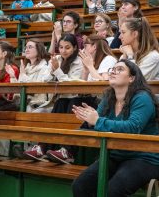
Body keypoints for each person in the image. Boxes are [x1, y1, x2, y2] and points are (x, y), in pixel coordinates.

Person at [72, 59, 159, 197]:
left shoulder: (142, 98)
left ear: (132, 78)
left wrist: (97, 121)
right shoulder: (109, 97)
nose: (114, 71)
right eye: (112, 69)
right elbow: (100, 124)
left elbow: (133, 127)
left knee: (113, 191)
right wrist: (90, 121)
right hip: (116, 156)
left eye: (120, 69)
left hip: (145, 159)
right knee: (80, 186)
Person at [23, 35, 113, 164]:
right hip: (65, 99)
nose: (63, 51)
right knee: (61, 102)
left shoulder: (81, 61)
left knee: (72, 102)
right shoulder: (58, 58)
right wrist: (53, 69)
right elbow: (46, 80)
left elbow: (75, 85)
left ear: (75, 48)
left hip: (85, 99)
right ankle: (43, 148)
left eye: (67, 47)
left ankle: (67, 150)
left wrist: (58, 70)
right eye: (60, 47)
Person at [119, 17, 159, 105]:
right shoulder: (126, 54)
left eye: (123, 32)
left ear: (135, 34)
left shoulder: (152, 56)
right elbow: (118, 78)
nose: (119, 36)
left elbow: (135, 81)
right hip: (129, 99)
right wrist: (125, 56)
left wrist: (129, 56)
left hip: (151, 103)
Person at [9, 40, 50, 112]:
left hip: (37, 103)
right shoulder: (26, 68)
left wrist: (23, 75)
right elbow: (18, 91)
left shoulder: (45, 68)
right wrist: (13, 77)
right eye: (26, 47)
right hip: (23, 101)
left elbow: (37, 90)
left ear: (39, 49)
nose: (26, 50)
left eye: (30, 47)